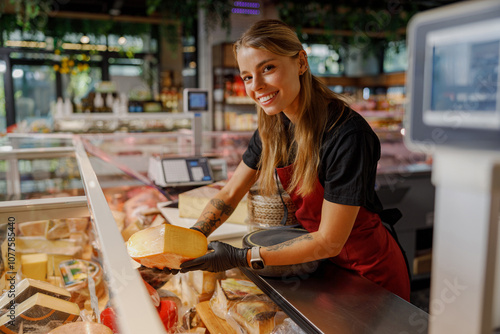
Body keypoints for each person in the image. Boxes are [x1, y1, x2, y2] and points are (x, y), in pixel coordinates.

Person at [179, 19, 410, 302]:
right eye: (247, 77)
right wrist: (190, 239)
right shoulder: (274, 126)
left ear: (301, 62)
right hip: (323, 262)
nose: (257, 86)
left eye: (268, 68)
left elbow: (330, 240)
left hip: (371, 273)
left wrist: (242, 257)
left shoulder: (348, 135)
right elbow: (229, 194)